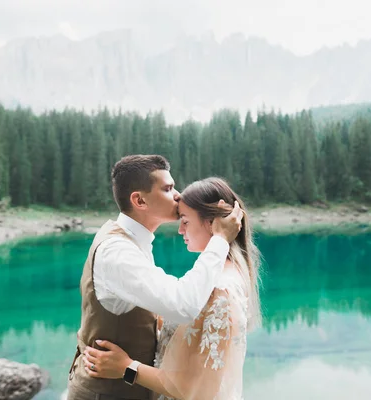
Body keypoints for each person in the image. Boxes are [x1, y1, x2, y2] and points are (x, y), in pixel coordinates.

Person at [67, 156, 243, 400]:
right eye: (168, 189)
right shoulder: (117, 252)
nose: (178, 195)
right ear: (139, 200)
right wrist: (220, 240)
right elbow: (183, 305)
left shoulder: (133, 241)